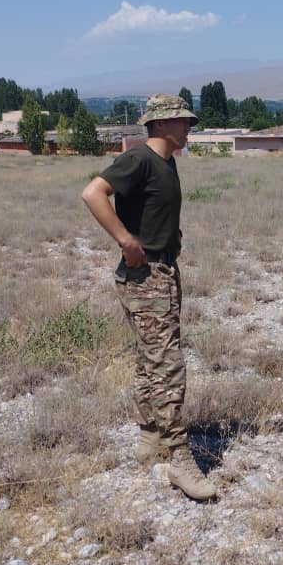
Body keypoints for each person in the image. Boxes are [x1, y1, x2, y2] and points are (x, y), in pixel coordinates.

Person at [81, 93, 216, 501]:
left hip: (162, 272)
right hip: (147, 276)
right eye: (182, 121)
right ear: (159, 124)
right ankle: (179, 458)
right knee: (167, 365)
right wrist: (125, 240)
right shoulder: (139, 159)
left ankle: (150, 435)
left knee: (150, 359)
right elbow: (93, 193)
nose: (188, 127)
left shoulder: (167, 162)